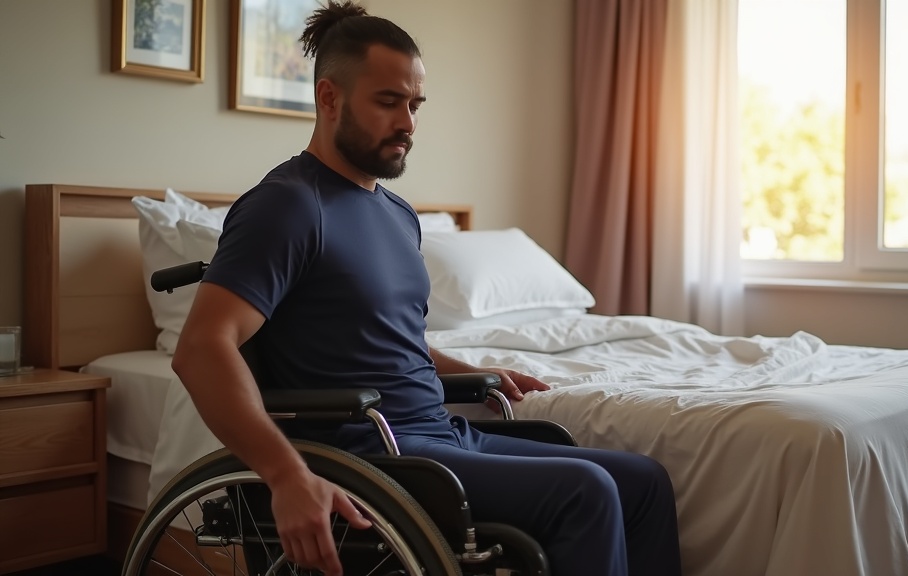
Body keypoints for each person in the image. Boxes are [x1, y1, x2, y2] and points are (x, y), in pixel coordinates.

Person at [171, 2, 682, 575]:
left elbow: (388, 337)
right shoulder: (288, 206)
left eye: (414, 105)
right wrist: (286, 474)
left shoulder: (396, 213)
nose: (408, 123)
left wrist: (462, 369)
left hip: (440, 433)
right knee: (585, 489)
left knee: (643, 481)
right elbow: (200, 348)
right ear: (329, 98)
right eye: (388, 102)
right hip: (369, 452)